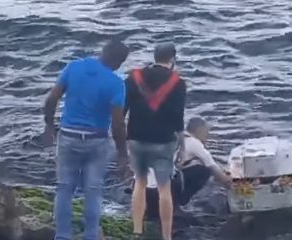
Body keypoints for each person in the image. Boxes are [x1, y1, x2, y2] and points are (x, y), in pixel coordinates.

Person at [41, 39, 130, 240]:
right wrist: (123, 154)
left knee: (64, 188)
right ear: (119, 63)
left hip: (68, 136)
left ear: (102, 51)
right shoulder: (116, 84)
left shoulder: (74, 67)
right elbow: (118, 124)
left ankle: (62, 236)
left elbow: (51, 99)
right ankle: (90, 236)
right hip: (97, 141)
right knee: (93, 190)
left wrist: (49, 125)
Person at [124, 43, 186, 240]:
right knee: (164, 188)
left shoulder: (134, 77)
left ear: (155, 56)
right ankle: (166, 235)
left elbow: (122, 108)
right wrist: (182, 145)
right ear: (173, 59)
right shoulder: (178, 82)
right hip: (163, 140)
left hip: (136, 136)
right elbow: (178, 117)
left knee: (140, 182)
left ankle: (136, 230)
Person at [125, 117, 232, 219]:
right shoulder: (193, 142)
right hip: (156, 191)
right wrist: (230, 183)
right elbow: (212, 166)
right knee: (204, 171)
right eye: (206, 132)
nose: (207, 136)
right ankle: (177, 204)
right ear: (199, 130)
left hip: (139, 188)